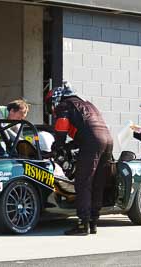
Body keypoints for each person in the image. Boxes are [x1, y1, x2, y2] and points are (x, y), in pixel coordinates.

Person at [45, 81, 113, 235]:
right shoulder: (87, 105)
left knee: (83, 182)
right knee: (97, 183)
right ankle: (93, 222)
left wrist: (58, 146)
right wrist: (69, 146)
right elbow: (88, 129)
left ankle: (82, 225)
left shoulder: (64, 105)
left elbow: (62, 127)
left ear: (56, 99)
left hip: (92, 142)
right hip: (107, 140)